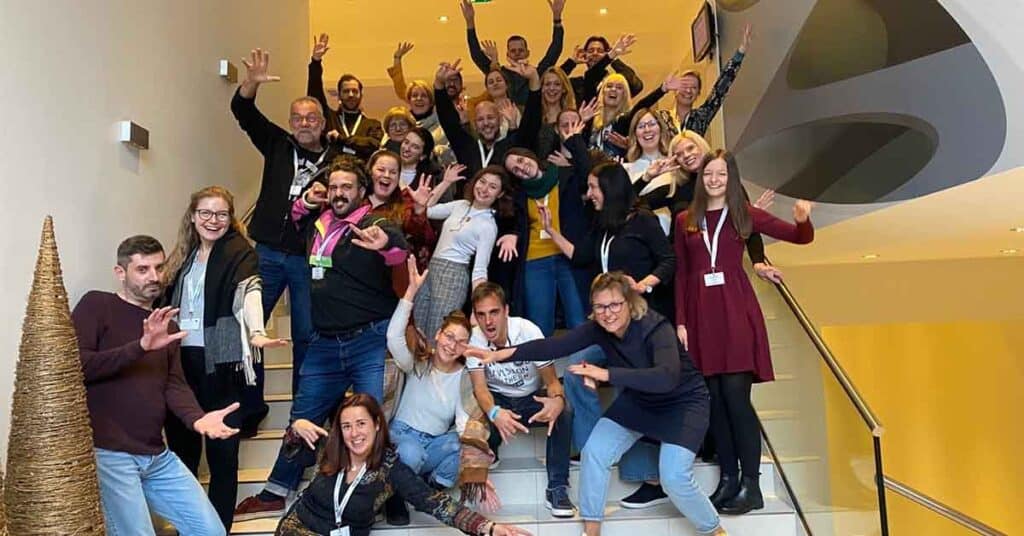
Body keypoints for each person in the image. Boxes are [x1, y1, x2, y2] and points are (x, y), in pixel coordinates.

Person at [465, 272, 725, 536]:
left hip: (683, 404)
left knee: (674, 478)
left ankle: (715, 530)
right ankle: (591, 531)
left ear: (629, 302)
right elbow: (554, 346)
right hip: (640, 400)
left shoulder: (656, 328)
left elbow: (666, 378)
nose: (607, 313)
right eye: (600, 307)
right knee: (594, 452)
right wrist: (501, 354)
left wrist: (605, 374)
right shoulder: (598, 328)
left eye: (614, 305)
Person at [234, 156, 409, 521]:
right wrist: (303, 203)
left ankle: (386, 491)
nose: (339, 193)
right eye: (334, 187)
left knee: (373, 422)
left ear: (362, 191)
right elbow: (292, 220)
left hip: (368, 341)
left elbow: (396, 246)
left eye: (347, 187)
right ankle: (275, 490)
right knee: (302, 417)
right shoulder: (319, 223)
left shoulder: (372, 223)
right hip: (324, 343)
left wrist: (386, 245)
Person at [674, 150, 814, 515]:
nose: (715, 180)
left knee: (736, 399)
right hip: (701, 317)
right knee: (715, 403)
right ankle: (728, 479)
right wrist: (682, 322)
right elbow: (682, 274)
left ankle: (751, 485)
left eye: (721, 174)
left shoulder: (744, 214)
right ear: (701, 178)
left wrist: (802, 220)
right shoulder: (685, 220)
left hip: (736, 312)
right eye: (709, 174)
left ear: (731, 178)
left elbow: (799, 237)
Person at [72, 235, 240, 536]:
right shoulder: (97, 304)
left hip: (156, 455)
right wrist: (140, 347)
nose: (154, 276)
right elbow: (77, 367)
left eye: (159, 268)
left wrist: (197, 418)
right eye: (143, 269)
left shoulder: (167, 326)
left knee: (211, 531)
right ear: (120, 272)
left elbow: (173, 384)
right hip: (110, 454)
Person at [160, 187, 287, 531]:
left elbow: (250, 291)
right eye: (205, 213)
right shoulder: (182, 256)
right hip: (180, 363)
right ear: (193, 216)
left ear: (231, 218)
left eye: (221, 214)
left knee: (223, 458)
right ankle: (189, 527)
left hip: (222, 364)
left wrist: (256, 331)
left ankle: (217, 529)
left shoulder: (240, 252)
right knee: (183, 456)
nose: (213, 221)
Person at [231, 48, 340, 428]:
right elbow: (243, 112)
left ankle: (302, 413)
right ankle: (251, 406)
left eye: (311, 118)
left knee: (307, 336)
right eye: (297, 117)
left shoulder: (337, 159)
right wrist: (251, 84)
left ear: (323, 122)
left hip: (310, 259)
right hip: (266, 253)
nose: (304, 123)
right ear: (290, 122)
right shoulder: (277, 144)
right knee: (250, 328)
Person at [274, 394, 531, 536]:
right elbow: (291, 452)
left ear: (377, 424)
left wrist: (488, 528)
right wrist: (296, 428)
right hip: (296, 530)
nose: (354, 433)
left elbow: (435, 503)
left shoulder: (389, 468)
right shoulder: (330, 449)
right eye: (347, 426)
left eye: (361, 424)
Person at [466, 283, 575, 518]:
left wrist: (557, 400)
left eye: (494, 312)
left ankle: (557, 488)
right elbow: (480, 389)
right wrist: (495, 413)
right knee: (475, 405)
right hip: (498, 400)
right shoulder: (474, 339)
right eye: (481, 315)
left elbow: (552, 382)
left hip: (530, 398)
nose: (488, 322)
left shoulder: (528, 331)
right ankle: (491, 448)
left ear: (506, 311)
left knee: (564, 409)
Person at [382, 255, 474, 525]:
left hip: (433, 443)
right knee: (411, 453)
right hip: (402, 437)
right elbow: (393, 337)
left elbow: (462, 421)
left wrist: (474, 456)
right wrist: (410, 293)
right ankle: (394, 496)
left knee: (459, 445)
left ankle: (427, 491)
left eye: (461, 342)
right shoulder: (418, 362)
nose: (452, 345)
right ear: (438, 335)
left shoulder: (464, 376)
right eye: (449, 336)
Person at [500, 117, 590, 336]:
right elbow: (512, 222)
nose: (521, 168)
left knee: (579, 320)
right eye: (515, 169)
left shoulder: (564, 175)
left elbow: (588, 176)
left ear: (529, 156)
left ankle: (585, 360)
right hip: (535, 260)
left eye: (520, 160)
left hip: (568, 255)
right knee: (539, 326)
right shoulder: (520, 196)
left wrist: (574, 141)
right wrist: (511, 234)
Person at [408, 165, 511, 340]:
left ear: (499, 194)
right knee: (417, 329)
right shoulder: (461, 205)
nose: (484, 189)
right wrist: (446, 182)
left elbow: (480, 270)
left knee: (438, 333)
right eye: (482, 182)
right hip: (431, 269)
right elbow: (426, 209)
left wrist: (477, 308)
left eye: (492, 187)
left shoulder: (488, 225)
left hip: (454, 275)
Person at [433, 59, 542, 180]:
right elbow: (448, 121)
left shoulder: (510, 149)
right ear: (475, 124)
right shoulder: (467, 147)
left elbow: (532, 123)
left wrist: (534, 79)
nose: (486, 123)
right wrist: (439, 84)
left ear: (500, 121)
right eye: (480, 119)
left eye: (490, 118)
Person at [460, 0, 565, 106]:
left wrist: (557, 19)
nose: (517, 54)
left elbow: (555, 50)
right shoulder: (500, 75)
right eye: (513, 51)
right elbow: (476, 55)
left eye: (521, 50)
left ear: (527, 53)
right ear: (507, 54)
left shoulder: (535, 74)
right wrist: (470, 23)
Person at [659, 24, 752, 138]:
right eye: (684, 85)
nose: (688, 90)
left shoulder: (701, 117)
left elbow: (720, 89)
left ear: (698, 94)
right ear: (675, 90)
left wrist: (740, 53)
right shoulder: (661, 119)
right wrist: (662, 89)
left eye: (694, 88)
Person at [308, 34, 384, 159]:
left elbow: (373, 145)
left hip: (360, 171)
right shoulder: (329, 118)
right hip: (332, 170)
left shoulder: (372, 124)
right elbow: (315, 94)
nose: (351, 95)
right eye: (346, 91)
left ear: (361, 95)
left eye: (354, 91)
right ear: (339, 95)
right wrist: (316, 62)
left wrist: (341, 139)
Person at [364, 149, 437, 275]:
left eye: (393, 172)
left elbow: (426, 239)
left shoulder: (404, 204)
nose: (387, 175)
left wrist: (419, 209)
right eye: (381, 170)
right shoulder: (356, 200)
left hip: (390, 275)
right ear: (370, 172)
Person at [561, 35, 643, 104]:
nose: (595, 53)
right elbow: (555, 80)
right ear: (584, 55)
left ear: (607, 54)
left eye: (600, 51)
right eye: (590, 51)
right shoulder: (576, 84)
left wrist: (614, 59)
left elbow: (636, 86)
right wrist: (571, 62)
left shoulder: (614, 85)